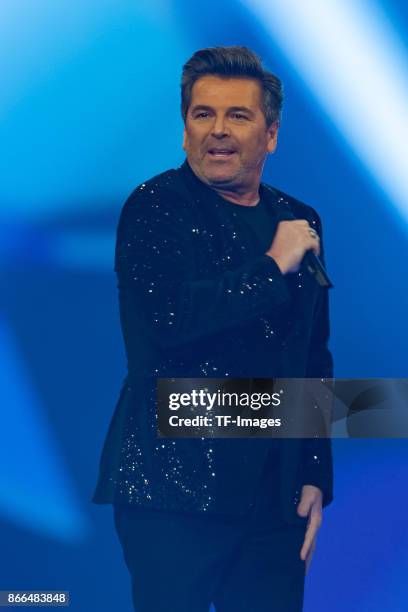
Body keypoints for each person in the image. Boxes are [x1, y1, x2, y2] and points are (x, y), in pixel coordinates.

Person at [92, 46, 333, 612]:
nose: (218, 131)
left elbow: (312, 355)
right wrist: (273, 268)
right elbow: (169, 324)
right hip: (175, 495)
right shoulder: (156, 208)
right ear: (184, 130)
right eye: (203, 115)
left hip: (274, 502)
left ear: (271, 135)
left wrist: (315, 472)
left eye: (238, 116)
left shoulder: (298, 220)